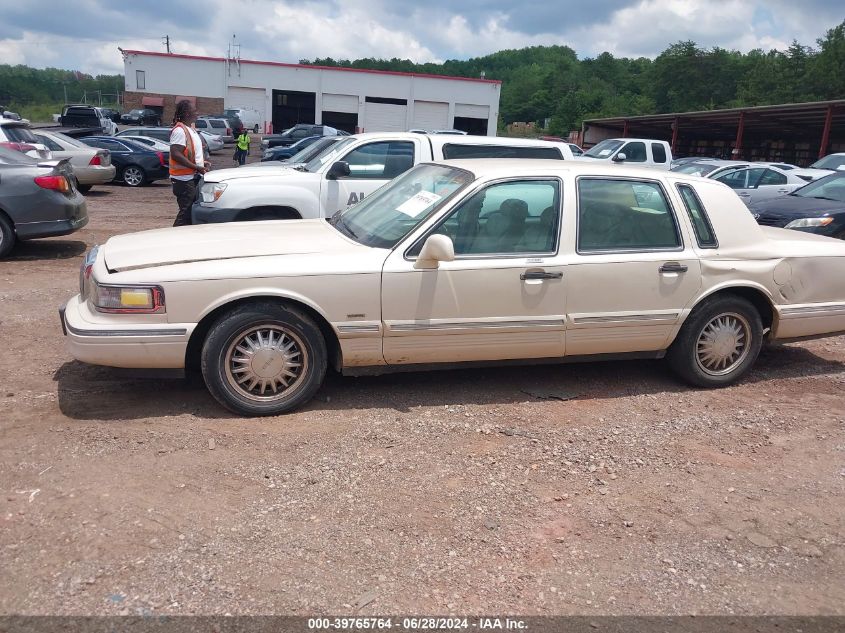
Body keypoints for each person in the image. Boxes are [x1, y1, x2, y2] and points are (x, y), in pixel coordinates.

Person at [169, 100, 209, 226]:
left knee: (191, 212)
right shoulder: (180, 131)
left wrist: (202, 163)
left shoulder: (190, 129)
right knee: (186, 212)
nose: (197, 113)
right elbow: (176, 154)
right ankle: (172, 238)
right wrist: (196, 167)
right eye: (194, 110)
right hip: (183, 179)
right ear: (187, 113)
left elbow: (190, 153)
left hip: (191, 177)